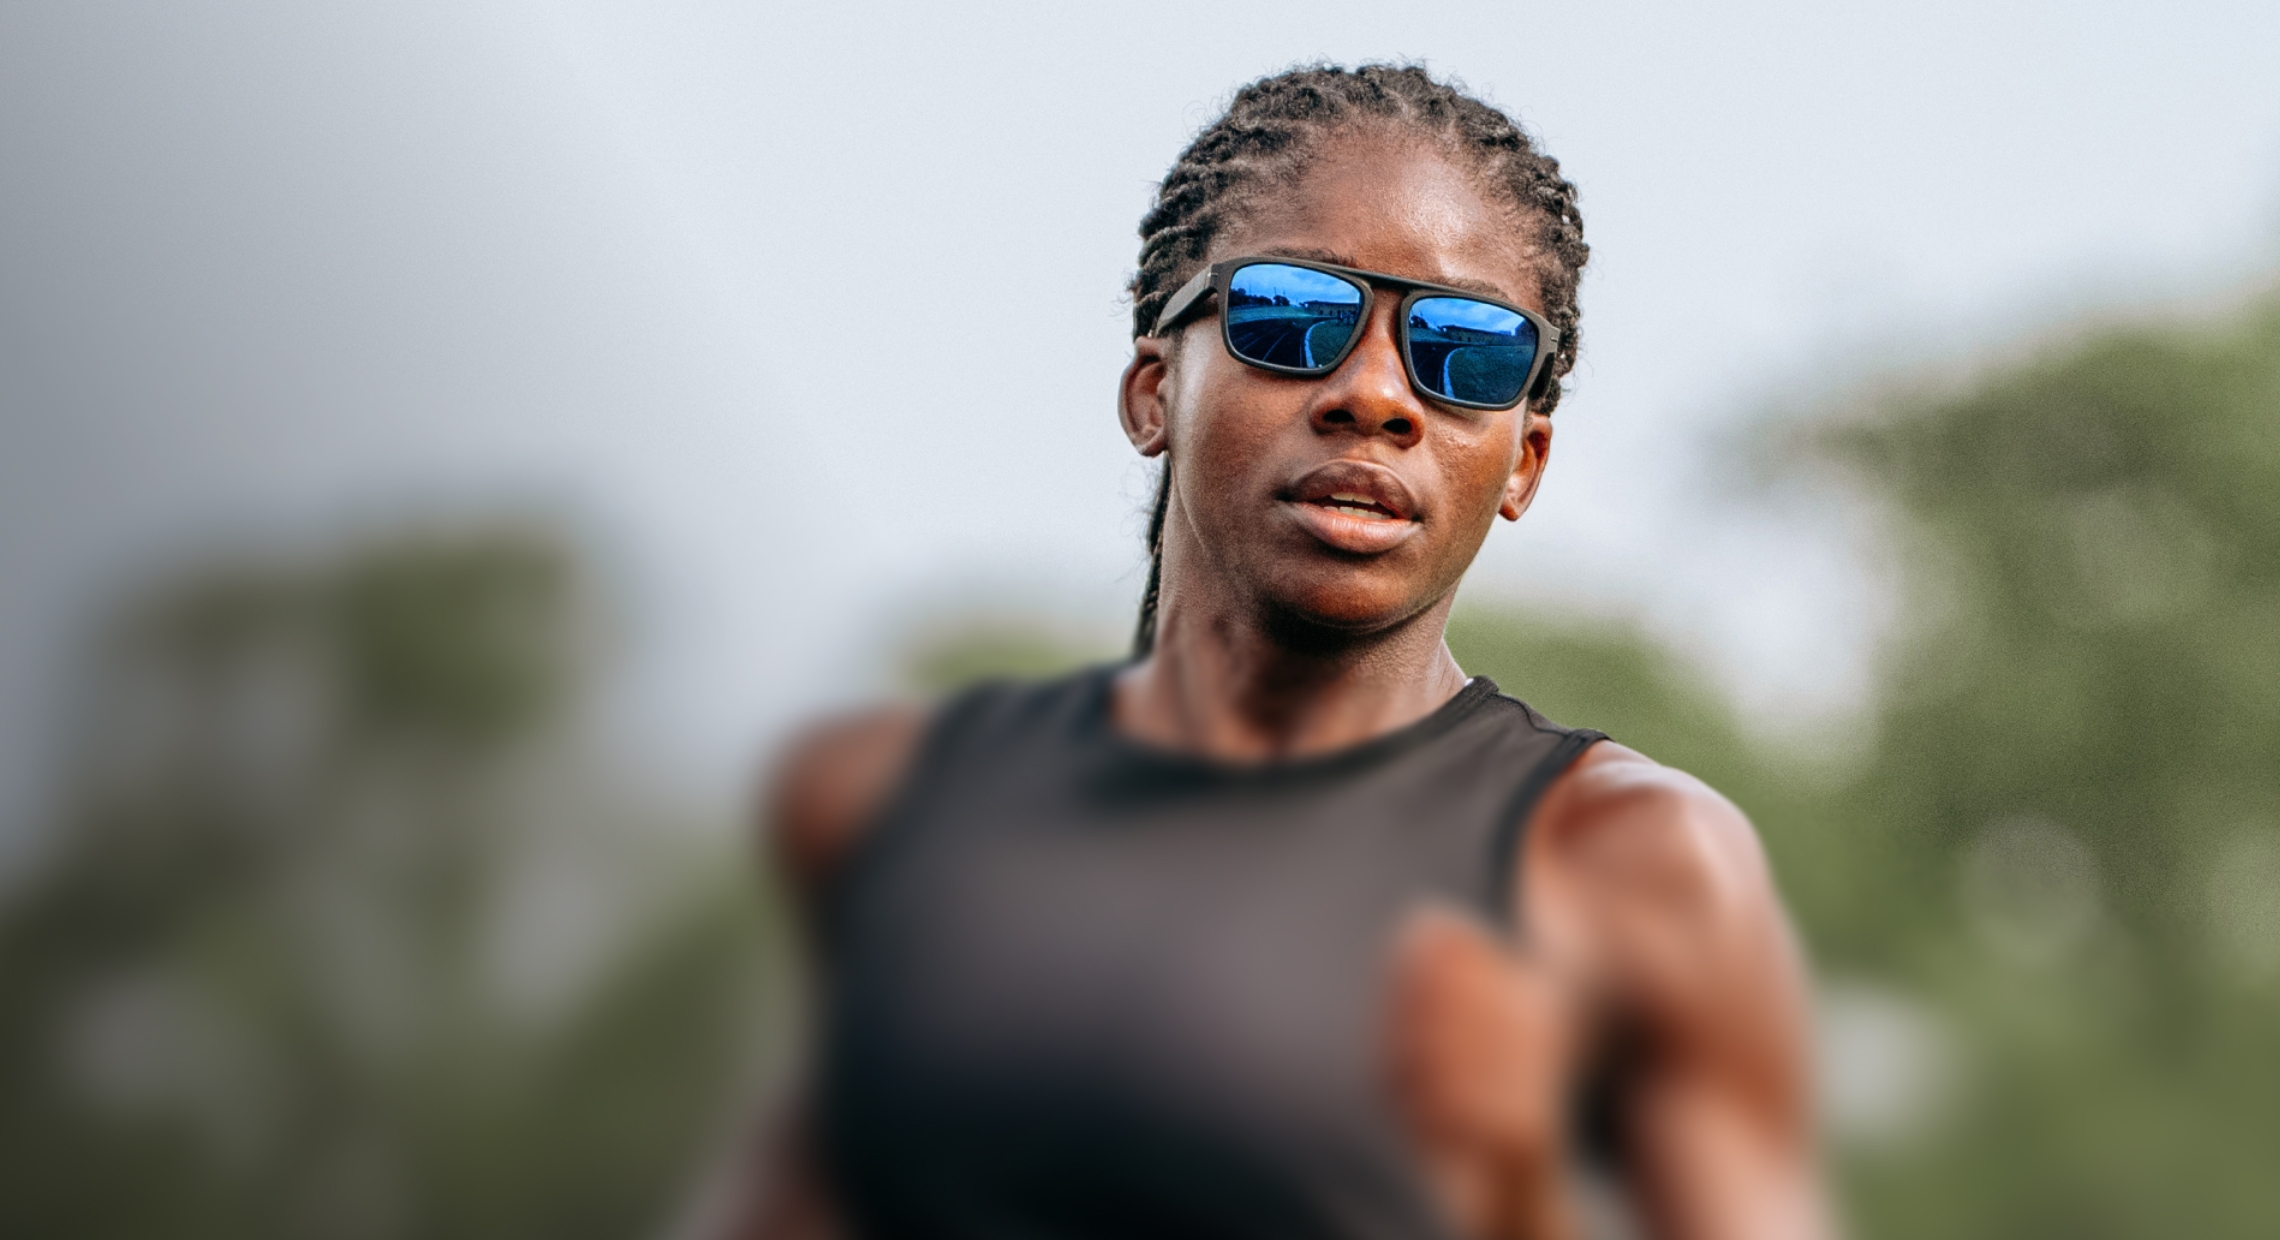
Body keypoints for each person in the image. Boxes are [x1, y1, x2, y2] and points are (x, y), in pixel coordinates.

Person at [701, 63, 1829, 1240]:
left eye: (1469, 352)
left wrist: (1513, 1195)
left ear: (1524, 461)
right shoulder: (903, 797)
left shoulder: (1631, 862)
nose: (1379, 395)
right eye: (1294, 314)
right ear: (1153, 388)